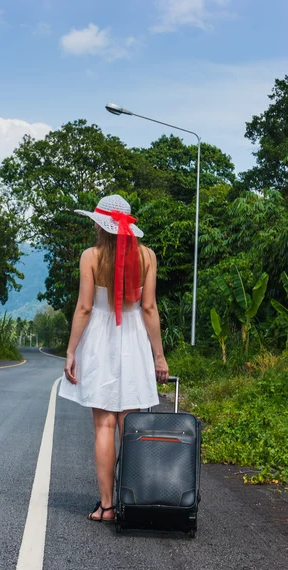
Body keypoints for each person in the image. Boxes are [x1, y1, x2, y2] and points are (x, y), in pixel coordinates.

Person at [58, 194, 169, 522]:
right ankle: (131, 501)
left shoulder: (90, 256)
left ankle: (106, 507)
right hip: (134, 342)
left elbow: (84, 307)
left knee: (103, 425)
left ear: (100, 224)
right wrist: (159, 356)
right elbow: (149, 307)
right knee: (129, 425)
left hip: (99, 343)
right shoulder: (147, 256)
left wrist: (70, 351)